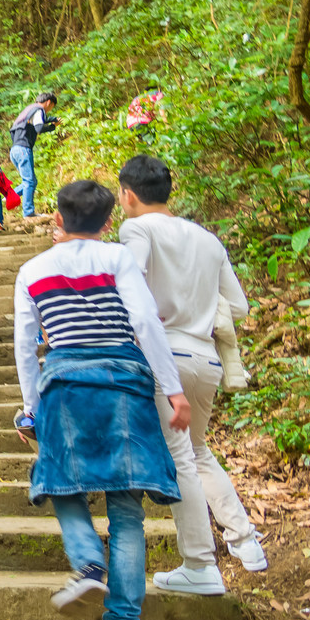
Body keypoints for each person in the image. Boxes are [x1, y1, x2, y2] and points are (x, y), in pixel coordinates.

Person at [14, 180, 188, 620]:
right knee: (127, 508)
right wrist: (171, 389)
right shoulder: (117, 259)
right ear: (109, 222)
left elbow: (26, 346)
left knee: (61, 485)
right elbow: (146, 323)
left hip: (66, 384)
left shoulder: (32, 269)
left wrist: (31, 408)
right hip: (125, 382)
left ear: (57, 218)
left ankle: (89, 564)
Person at [118, 154, 267, 580]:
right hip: (206, 358)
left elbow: (130, 280)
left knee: (180, 456)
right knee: (197, 451)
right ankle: (245, 542)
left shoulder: (136, 228)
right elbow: (237, 306)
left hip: (166, 359)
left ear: (127, 195)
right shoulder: (206, 238)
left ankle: (200, 564)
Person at [9, 92, 58, 218]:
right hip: (23, 149)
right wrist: (52, 127)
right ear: (49, 102)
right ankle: (28, 213)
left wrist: (52, 120)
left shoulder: (28, 110)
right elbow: (39, 128)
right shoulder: (39, 110)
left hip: (15, 150)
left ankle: (9, 196)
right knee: (29, 181)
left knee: (31, 181)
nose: (49, 110)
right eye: (51, 107)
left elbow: (38, 121)